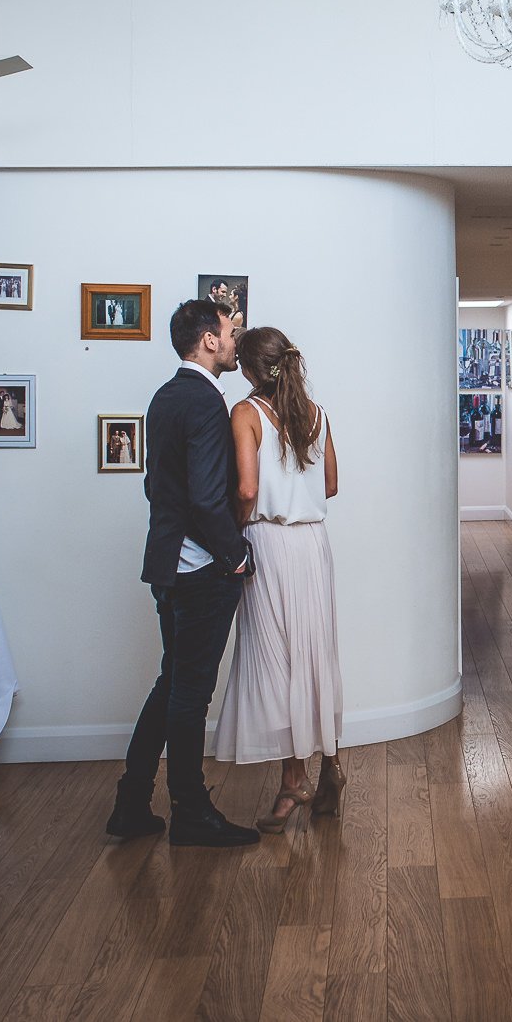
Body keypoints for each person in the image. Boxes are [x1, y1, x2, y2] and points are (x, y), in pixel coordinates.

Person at [106, 299, 260, 848]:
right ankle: (190, 813)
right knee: (190, 694)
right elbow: (203, 497)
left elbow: (158, 488)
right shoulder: (203, 401)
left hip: (168, 567)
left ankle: (131, 803)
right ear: (210, 342)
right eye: (231, 331)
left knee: (172, 683)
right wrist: (235, 555)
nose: (236, 339)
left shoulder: (166, 396)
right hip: (199, 573)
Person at [212, 327, 345, 833]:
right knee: (315, 654)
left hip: (269, 543)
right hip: (314, 545)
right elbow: (330, 484)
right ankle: (329, 764)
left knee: (275, 661)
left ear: (248, 369)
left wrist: (236, 528)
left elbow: (246, 489)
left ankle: (294, 782)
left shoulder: (246, 413)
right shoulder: (317, 414)